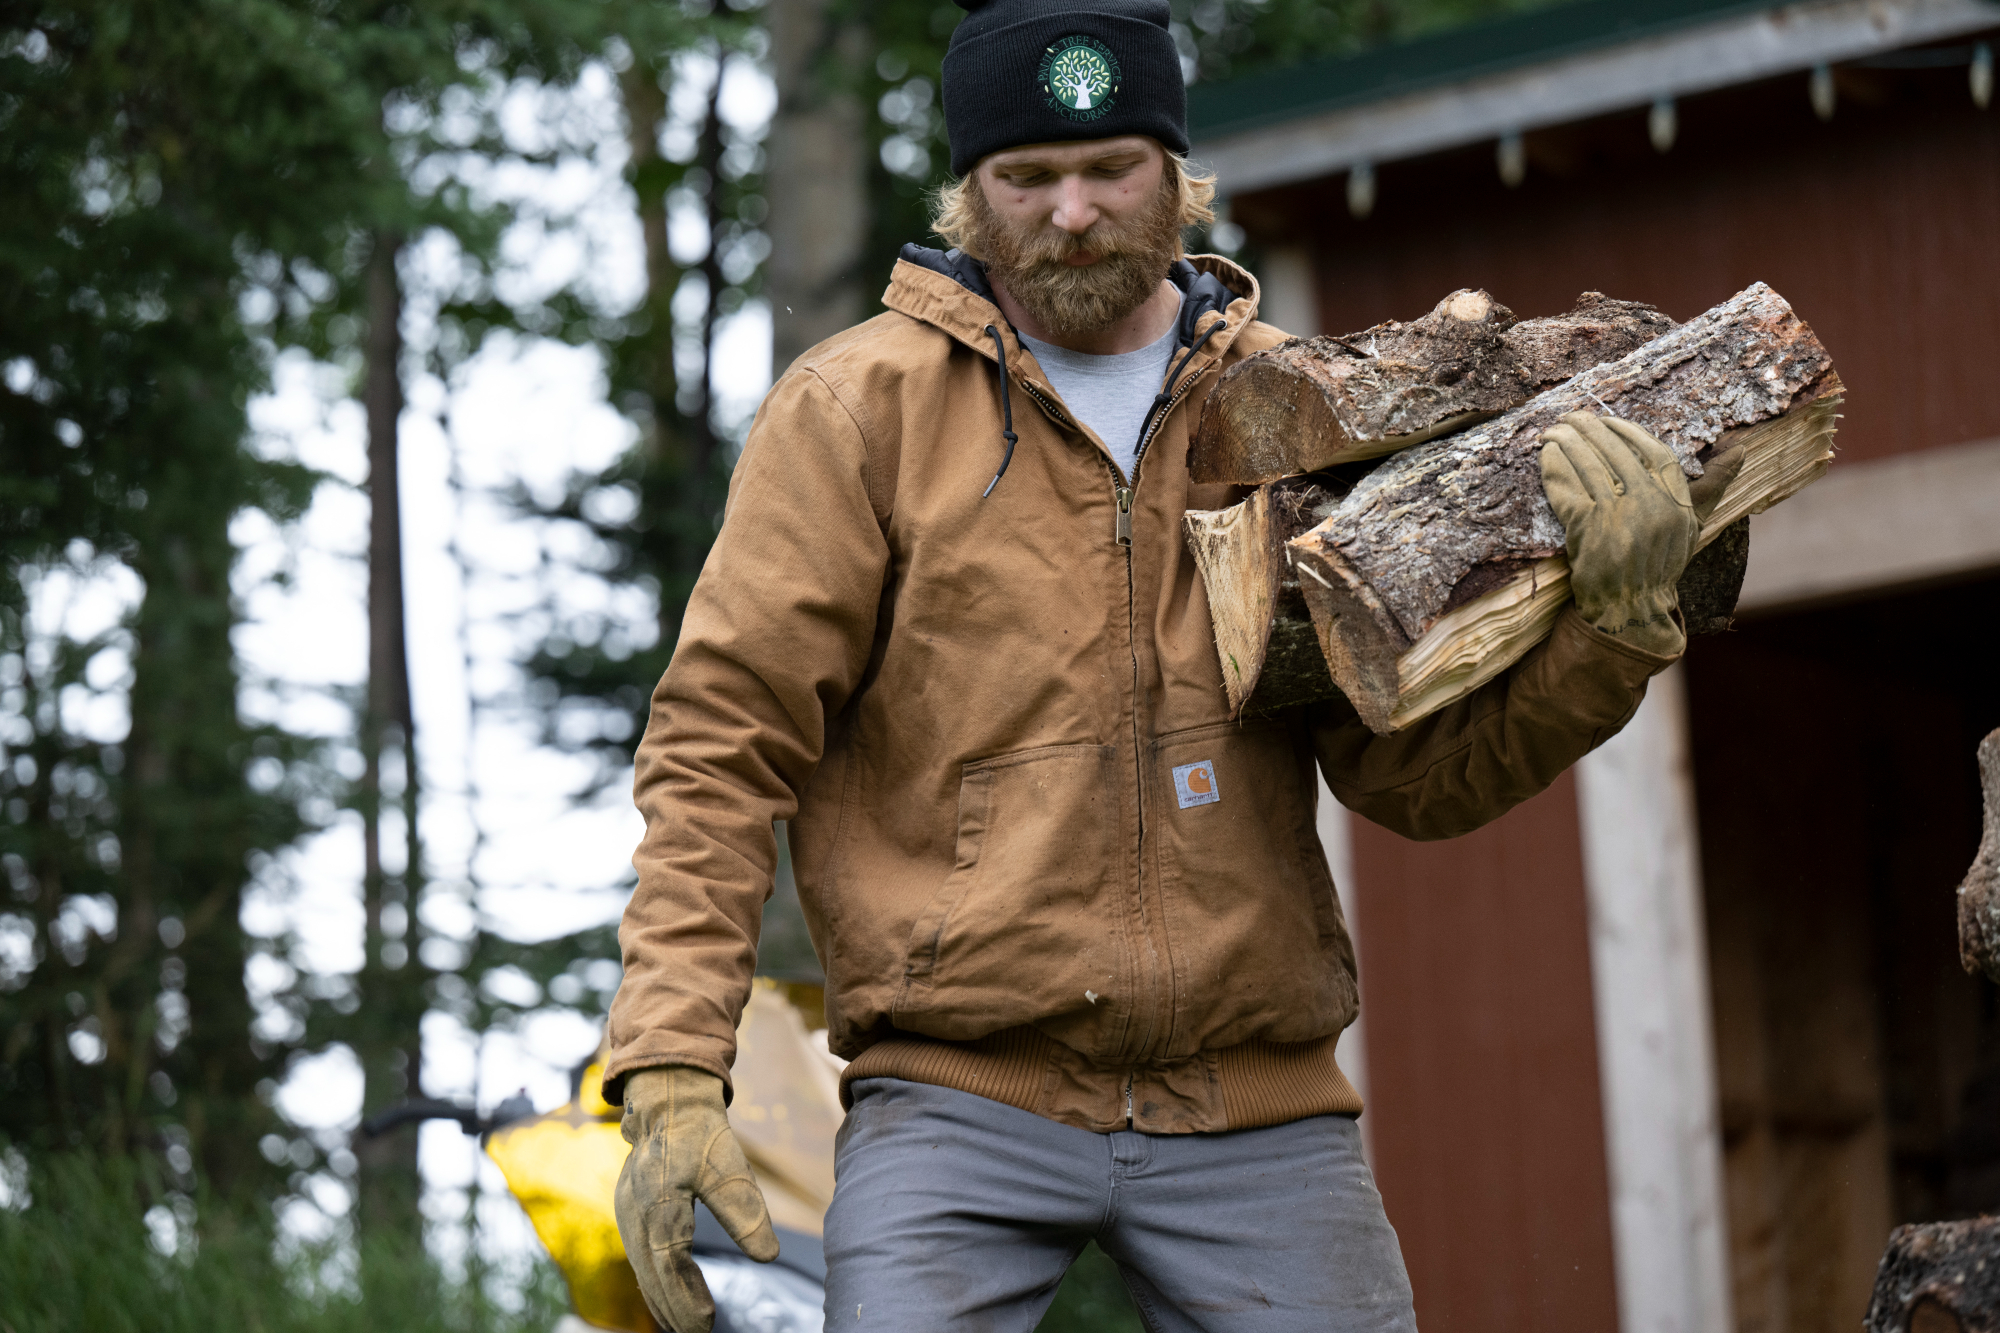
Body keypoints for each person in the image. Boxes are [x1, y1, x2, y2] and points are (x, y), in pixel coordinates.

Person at [606, 1, 1733, 1328]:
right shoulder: (857, 413)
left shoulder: (1300, 408)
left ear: (1177, 178)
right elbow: (716, 746)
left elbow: (1412, 778)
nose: (1071, 211)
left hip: (1253, 1106)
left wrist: (1613, 629)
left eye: (1110, 169)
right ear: (971, 194)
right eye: (1027, 177)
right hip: (956, 1095)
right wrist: (673, 1064)